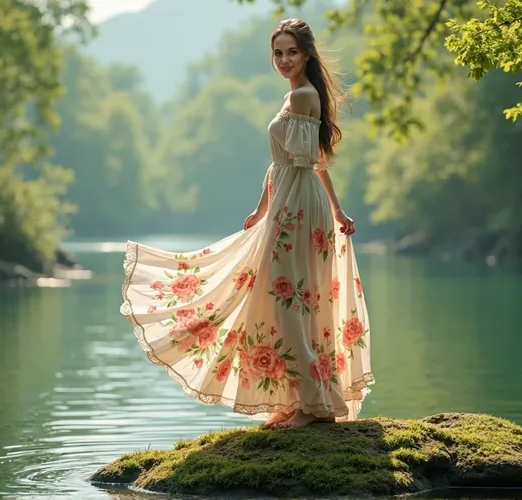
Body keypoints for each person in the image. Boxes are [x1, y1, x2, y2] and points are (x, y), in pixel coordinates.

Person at [120, 18, 374, 430]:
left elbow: (308, 163)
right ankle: (301, 400)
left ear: (306, 54)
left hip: (297, 206)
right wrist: (262, 208)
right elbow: (288, 164)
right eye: (277, 53)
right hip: (291, 199)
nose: (284, 59)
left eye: (291, 51)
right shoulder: (296, 96)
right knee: (294, 301)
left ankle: (315, 406)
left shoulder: (304, 96)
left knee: (286, 300)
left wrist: (330, 209)